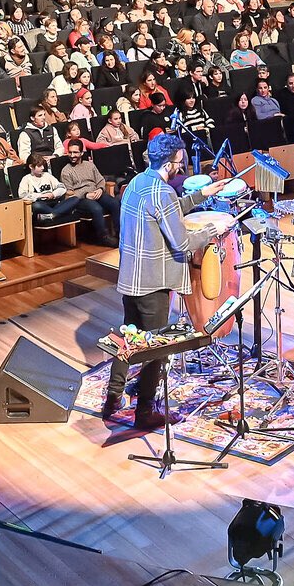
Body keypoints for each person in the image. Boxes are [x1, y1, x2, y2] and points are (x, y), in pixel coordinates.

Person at [102, 132, 192, 430]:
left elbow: (166, 211)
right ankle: (145, 412)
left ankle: (113, 397)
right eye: (178, 162)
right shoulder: (163, 192)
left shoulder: (136, 182)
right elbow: (182, 242)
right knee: (156, 349)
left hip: (131, 278)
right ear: (168, 163)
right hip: (153, 283)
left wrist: (201, 195)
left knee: (130, 339)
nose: (180, 167)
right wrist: (214, 231)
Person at [56, 139, 120, 245]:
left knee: (115, 203)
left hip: (96, 192)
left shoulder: (90, 165)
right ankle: (103, 237)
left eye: (75, 152)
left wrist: (100, 189)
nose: (72, 155)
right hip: (80, 199)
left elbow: (100, 180)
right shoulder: (66, 171)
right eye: (70, 152)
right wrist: (85, 194)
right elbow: (69, 193)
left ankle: (119, 233)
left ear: (81, 153)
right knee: (96, 208)